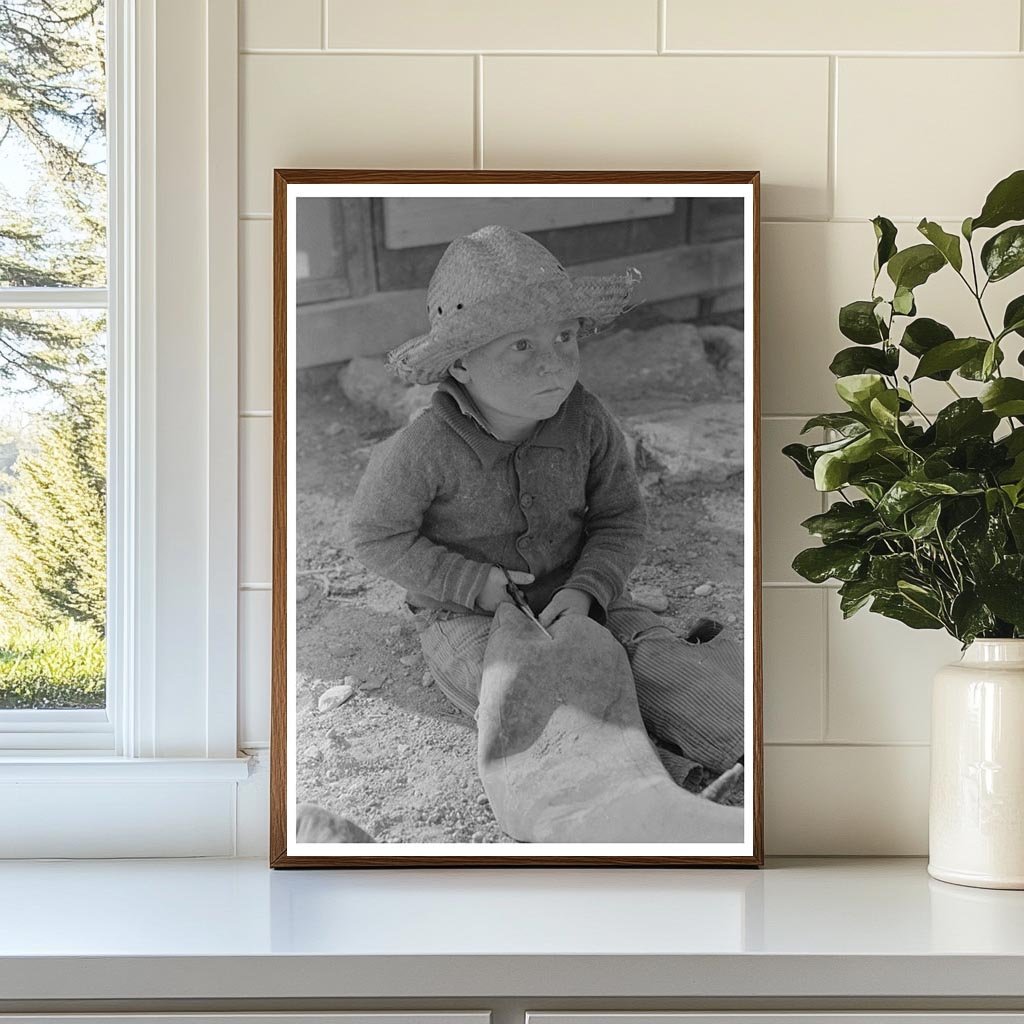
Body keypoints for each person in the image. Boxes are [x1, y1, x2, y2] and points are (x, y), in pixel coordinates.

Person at [346, 224, 744, 778]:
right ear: (461, 363)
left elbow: (620, 518)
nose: (553, 362)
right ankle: (658, 782)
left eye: (564, 337)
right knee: (531, 700)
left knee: (662, 664)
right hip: (470, 617)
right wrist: (470, 584)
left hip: (579, 591)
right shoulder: (423, 448)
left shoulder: (587, 421)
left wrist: (589, 588)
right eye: (521, 345)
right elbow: (373, 534)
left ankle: (735, 759)